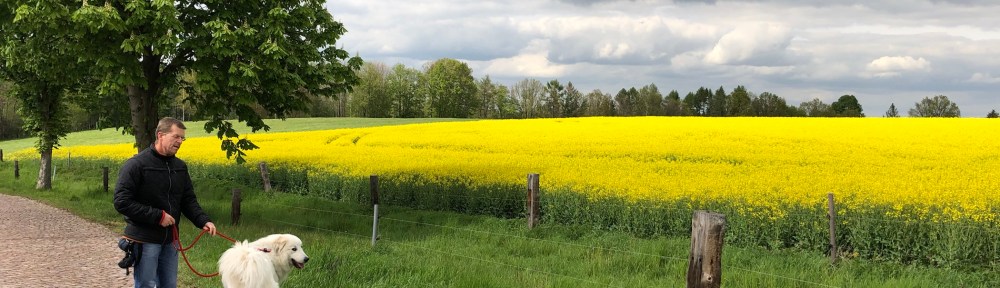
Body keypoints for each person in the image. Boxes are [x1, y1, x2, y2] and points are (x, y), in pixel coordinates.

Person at [114, 117, 217, 288]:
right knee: (146, 285)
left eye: (182, 138)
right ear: (160, 135)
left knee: (169, 285)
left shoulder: (180, 167)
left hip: (171, 240)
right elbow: (121, 201)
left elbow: (188, 200)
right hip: (144, 239)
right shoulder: (136, 165)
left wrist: (203, 220)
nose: (180, 141)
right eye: (176, 136)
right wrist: (158, 216)